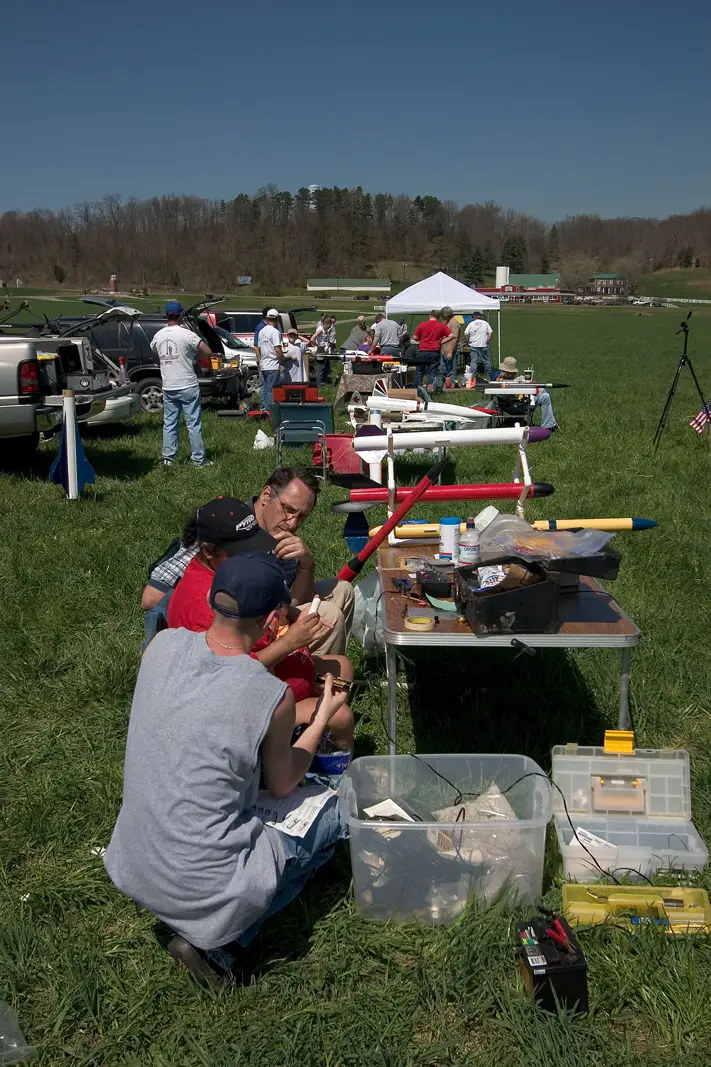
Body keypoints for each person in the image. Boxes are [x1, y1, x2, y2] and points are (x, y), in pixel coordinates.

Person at [104, 552, 350, 988]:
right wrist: (319, 720)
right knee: (333, 814)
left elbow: (217, 689)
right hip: (201, 880)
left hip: (132, 861)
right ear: (275, 618)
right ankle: (220, 943)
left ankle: (213, 928)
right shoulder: (271, 696)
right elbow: (282, 782)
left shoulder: (162, 645)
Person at [165, 497, 354, 749]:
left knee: (342, 667)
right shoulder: (209, 604)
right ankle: (307, 766)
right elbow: (228, 674)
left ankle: (307, 743)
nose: (252, 555)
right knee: (341, 716)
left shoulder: (226, 575)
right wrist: (290, 643)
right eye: (242, 551)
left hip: (271, 677)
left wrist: (289, 613)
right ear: (209, 550)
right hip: (242, 703)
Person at [141, 467, 355, 656]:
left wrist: (306, 565)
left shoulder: (281, 534)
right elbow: (151, 598)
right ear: (266, 495)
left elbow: (295, 600)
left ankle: (314, 670)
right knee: (330, 616)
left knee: (343, 590)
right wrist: (217, 604)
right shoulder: (224, 530)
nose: (292, 523)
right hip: (239, 627)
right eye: (288, 510)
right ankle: (315, 679)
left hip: (272, 612)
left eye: (302, 517)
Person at [150, 301, 213, 468]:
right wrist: (194, 358)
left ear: (167, 315)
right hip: (187, 384)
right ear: (181, 315)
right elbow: (207, 351)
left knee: (169, 423)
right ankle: (198, 460)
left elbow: (155, 353)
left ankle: (168, 459)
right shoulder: (187, 334)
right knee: (193, 424)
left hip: (169, 385)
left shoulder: (158, 336)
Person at [497, 356, 559, 431]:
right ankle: (549, 426)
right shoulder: (506, 382)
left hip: (512, 404)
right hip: (515, 407)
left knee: (545, 395)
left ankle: (549, 425)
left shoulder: (499, 379)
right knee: (543, 391)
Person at [412, 310, 453, 391]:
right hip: (434, 351)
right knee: (432, 372)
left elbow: (415, 337)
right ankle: (431, 390)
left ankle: (417, 390)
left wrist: (419, 339)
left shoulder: (422, 324)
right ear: (439, 317)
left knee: (420, 371)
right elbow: (451, 335)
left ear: (430, 315)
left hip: (423, 350)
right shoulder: (442, 326)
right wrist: (442, 341)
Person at [255, 309, 284, 411]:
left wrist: (260, 361)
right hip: (273, 364)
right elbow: (277, 348)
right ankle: (271, 412)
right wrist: (281, 362)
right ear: (276, 319)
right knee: (272, 390)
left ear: (267, 318)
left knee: (264, 388)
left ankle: (264, 408)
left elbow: (257, 347)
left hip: (263, 365)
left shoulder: (261, 331)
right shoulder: (275, 332)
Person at [464, 312, 493, 380]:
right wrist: (487, 341)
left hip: (473, 345)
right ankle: (490, 374)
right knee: (486, 360)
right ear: (480, 317)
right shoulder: (485, 323)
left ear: (474, 317)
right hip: (483, 345)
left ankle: (473, 375)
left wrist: (467, 342)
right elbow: (490, 333)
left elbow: (466, 334)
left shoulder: (471, 324)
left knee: (474, 361)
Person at [438, 306, 461, 389]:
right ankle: (443, 385)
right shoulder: (448, 322)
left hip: (450, 350)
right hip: (444, 350)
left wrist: (451, 351)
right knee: (443, 369)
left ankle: (451, 386)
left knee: (451, 370)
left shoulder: (454, 323)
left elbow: (455, 338)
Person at [310, 312, 332, 386]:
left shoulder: (326, 330)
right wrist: (318, 345)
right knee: (320, 368)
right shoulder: (320, 329)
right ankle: (319, 384)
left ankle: (324, 381)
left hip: (325, 351)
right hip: (320, 351)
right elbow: (312, 339)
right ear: (327, 324)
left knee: (325, 367)